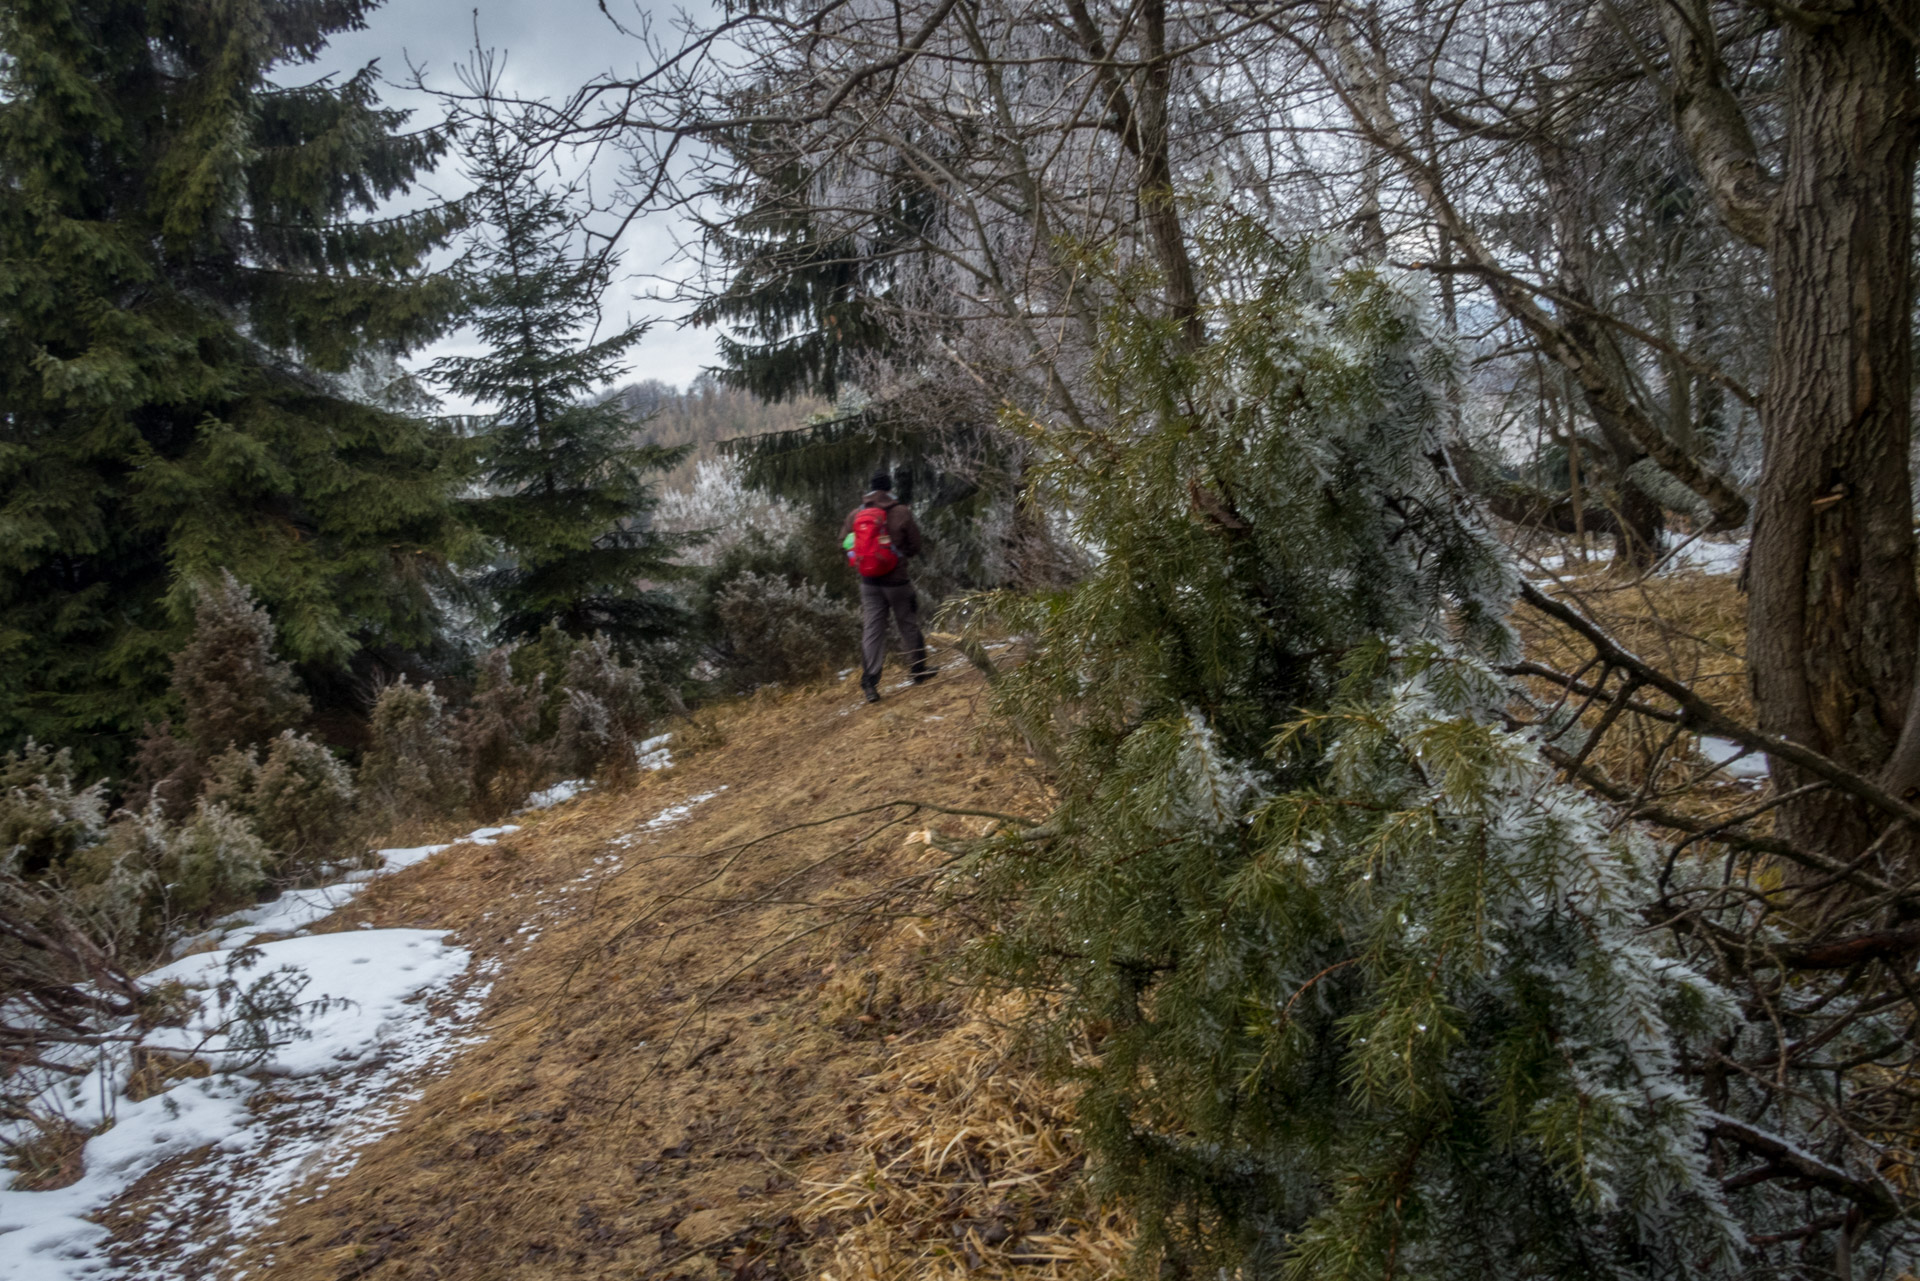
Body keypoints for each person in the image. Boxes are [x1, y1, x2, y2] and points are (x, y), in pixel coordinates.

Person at [843, 470, 931, 702]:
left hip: (869, 583)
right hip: (897, 582)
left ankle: (870, 684)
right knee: (908, 624)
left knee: (872, 631)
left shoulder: (856, 514)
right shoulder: (901, 512)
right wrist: (899, 556)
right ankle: (918, 670)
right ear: (889, 488)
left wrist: (861, 562)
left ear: (871, 490)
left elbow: (845, 543)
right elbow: (915, 545)